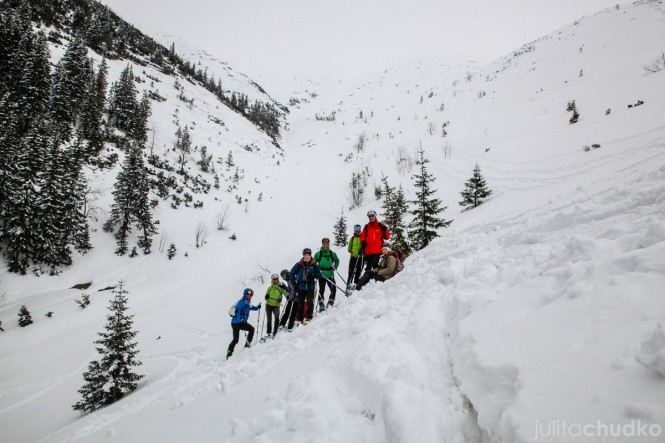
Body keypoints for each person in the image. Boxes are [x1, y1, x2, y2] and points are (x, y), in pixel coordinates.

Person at [289, 248, 324, 325]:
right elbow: (291, 273)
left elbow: (319, 275)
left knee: (310, 302)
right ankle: (300, 319)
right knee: (300, 304)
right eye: (305, 255)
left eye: (308, 255)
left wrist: (313, 275)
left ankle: (309, 317)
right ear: (303, 256)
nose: (307, 256)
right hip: (301, 287)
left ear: (310, 255)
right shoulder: (299, 264)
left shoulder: (314, 264)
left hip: (310, 287)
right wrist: (294, 283)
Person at [226, 288, 261, 359]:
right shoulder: (242, 302)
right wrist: (240, 319)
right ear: (245, 294)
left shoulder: (246, 302)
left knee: (235, 340)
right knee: (251, 329)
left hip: (234, 323)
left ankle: (229, 353)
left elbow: (250, 307)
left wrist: (257, 307)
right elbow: (238, 310)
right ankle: (247, 345)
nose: (249, 296)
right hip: (239, 323)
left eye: (250, 295)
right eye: (248, 295)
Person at [359, 209, 390, 274]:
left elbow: (387, 237)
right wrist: (363, 242)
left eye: (372, 216)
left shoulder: (380, 225)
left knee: (374, 263)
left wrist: (385, 230)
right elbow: (362, 237)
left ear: (375, 216)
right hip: (368, 250)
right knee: (368, 266)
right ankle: (366, 279)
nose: (371, 217)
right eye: (369, 216)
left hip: (377, 250)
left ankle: (376, 278)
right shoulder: (366, 227)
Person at [314, 237, 340, 310]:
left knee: (333, 289)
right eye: (324, 244)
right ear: (322, 244)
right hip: (321, 274)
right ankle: (321, 303)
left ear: (328, 244)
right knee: (321, 290)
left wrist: (335, 267)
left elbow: (337, 261)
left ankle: (331, 301)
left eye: (327, 244)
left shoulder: (332, 253)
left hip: (330, 274)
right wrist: (316, 270)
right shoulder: (318, 254)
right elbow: (313, 263)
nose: (325, 245)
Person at [264, 273, 288, 338]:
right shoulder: (270, 288)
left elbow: (285, 293)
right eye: (274, 279)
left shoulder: (280, 287)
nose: (275, 280)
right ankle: (269, 333)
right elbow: (266, 296)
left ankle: (275, 331)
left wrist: (288, 296)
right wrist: (266, 297)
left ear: (278, 279)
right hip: (268, 305)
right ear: (272, 280)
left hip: (276, 305)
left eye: (276, 279)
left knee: (276, 318)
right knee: (269, 319)